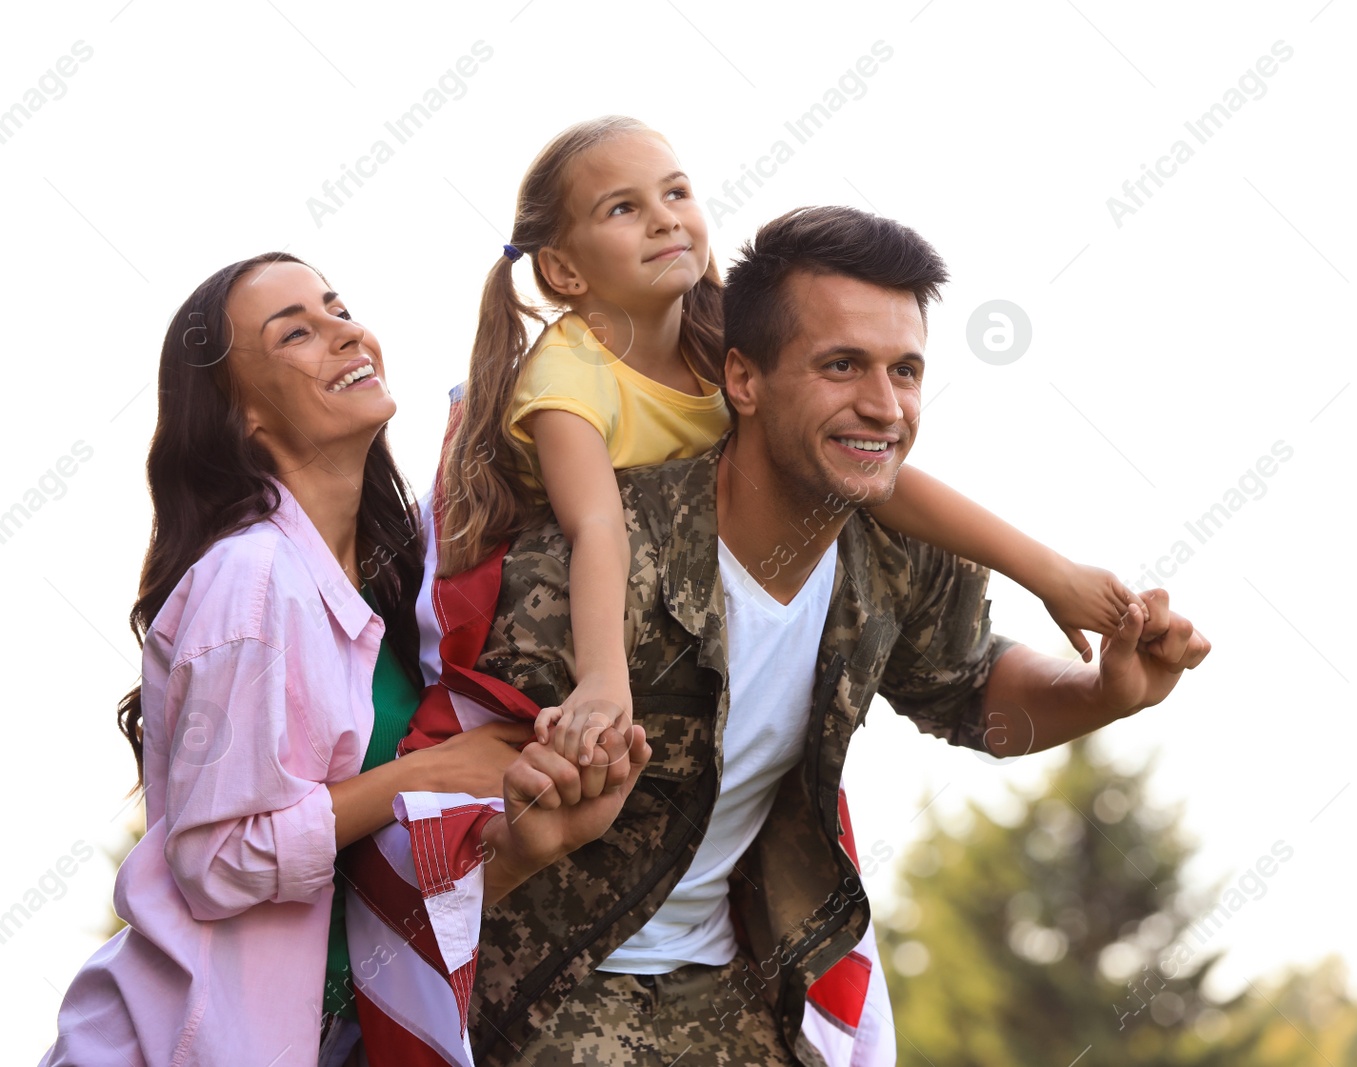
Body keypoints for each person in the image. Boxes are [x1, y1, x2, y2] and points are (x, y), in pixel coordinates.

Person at [457, 205, 1210, 1065]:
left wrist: (1106, 693)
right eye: (842, 365)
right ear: (743, 380)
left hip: (735, 986)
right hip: (542, 988)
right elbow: (441, 818)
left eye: (907, 370)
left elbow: (972, 695)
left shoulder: (900, 552)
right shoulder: (597, 563)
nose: (884, 407)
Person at [39, 253, 649, 1067]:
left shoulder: (388, 589)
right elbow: (214, 862)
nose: (344, 332)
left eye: (337, 308)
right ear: (243, 416)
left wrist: (538, 833)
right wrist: (428, 775)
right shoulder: (251, 578)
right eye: (297, 332)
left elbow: (365, 885)